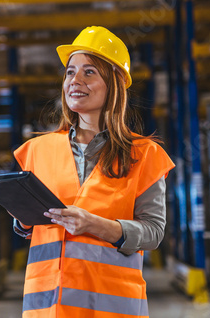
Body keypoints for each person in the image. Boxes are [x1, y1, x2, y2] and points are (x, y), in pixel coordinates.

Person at [12, 26, 175, 318]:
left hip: (111, 309)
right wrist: (23, 221)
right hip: (47, 308)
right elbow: (34, 227)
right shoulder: (38, 150)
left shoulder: (144, 155)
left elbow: (153, 232)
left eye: (89, 72)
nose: (75, 80)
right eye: (70, 72)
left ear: (113, 84)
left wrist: (95, 225)